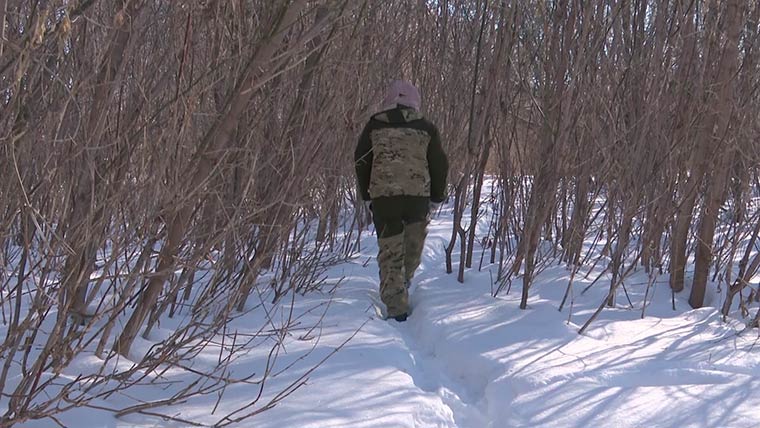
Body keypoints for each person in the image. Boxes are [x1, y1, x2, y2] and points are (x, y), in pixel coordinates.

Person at [354, 80, 449, 322]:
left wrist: (367, 194)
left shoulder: (374, 126)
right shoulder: (427, 128)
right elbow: (439, 163)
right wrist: (437, 196)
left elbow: (361, 159)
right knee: (412, 248)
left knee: (390, 248)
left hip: (384, 199)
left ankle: (395, 295)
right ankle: (399, 298)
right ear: (415, 102)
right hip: (417, 198)